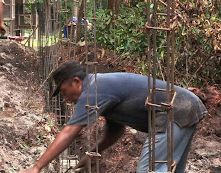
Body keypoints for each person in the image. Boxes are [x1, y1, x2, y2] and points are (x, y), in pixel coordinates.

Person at [20, 60, 207, 173]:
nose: (66, 99)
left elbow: (69, 131)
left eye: (64, 91)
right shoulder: (101, 88)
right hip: (184, 106)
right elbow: (115, 129)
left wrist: (37, 167)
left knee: (149, 170)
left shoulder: (93, 90)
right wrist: (94, 151)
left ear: (76, 82)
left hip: (175, 109)